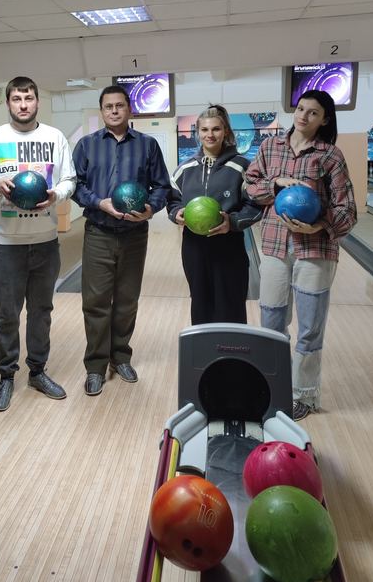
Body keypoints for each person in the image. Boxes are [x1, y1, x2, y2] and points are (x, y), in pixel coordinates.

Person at [246, 90, 357, 421]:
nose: (303, 116)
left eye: (313, 113)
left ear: (324, 120)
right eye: (301, 109)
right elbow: (250, 186)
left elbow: (347, 209)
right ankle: (271, 387)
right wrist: (276, 185)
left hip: (316, 250)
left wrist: (319, 224)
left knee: (309, 328)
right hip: (275, 247)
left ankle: (303, 395)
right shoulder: (270, 147)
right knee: (271, 323)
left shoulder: (330, 155)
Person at [0, 76, 76, 412]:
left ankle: (38, 372)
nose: (23, 104)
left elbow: (69, 180)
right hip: (5, 243)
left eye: (28, 98)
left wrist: (56, 195)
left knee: (41, 312)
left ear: (37, 101)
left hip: (45, 241)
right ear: (8, 103)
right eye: (16, 98)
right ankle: (6, 376)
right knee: (6, 315)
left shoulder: (54, 137)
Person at [72, 85, 171, 396]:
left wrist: (151, 209)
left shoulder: (147, 145)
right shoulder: (87, 145)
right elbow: (76, 185)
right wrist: (99, 203)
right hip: (99, 231)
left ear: (130, 109)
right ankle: (95, 366)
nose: (114, 111)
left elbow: (162, 186)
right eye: (108, 106)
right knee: (96, 302)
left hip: (134, 235)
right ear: (102, 111)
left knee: (127, 301)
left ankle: (121, 357)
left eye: (119, 105)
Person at [167, 103, 262, 325]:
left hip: (229, 247)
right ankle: (204, 348)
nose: (210, 134)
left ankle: (231, 348)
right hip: (194, 248)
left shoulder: (242, 167)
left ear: (225, 131)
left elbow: (255, 206)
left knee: (231, 307)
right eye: (205, 129)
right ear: (198, 132)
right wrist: (176, 213)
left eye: (216, 129)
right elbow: (172, 200)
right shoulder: (185, 169)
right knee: (200, 305)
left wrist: (233, 222)